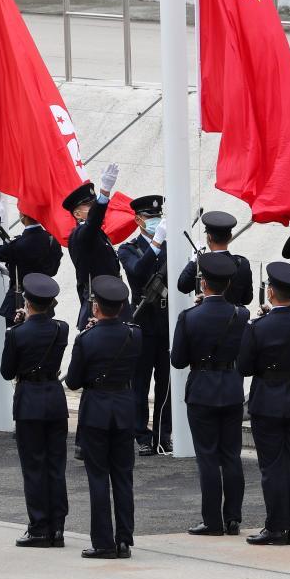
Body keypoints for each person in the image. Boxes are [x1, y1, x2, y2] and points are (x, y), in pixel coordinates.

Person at [170, 252, 249, 537]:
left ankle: (212, 520)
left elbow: (178, 360)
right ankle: (233, 518)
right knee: (231, 455)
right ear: (228, 284)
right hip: (230, 386)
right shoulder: (241, 315)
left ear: (203, 284)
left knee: (207, 458)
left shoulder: (190, 316)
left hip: (202, 388)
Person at [64, 275, 142, 560]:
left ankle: (103, 542)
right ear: (121, 306)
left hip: (96, 410)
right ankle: (124, 539)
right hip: (123, 407)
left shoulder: (86, 338)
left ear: (96, 307)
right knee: (123, 477)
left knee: (98, 477)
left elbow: (73, 381)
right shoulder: (135, 334)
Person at [238, 262, 290, 546]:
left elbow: (244, 366)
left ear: (271, 292)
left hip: (267, 398)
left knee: (271, 466)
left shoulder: (258, 327)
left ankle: (276, 525)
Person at [0, 273, 70, 548]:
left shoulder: (17, 333)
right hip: (53, 398)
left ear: (27, 303)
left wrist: (18, 328)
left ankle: (39, 526)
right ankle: (58, 526)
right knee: (56, 465)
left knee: (34, 467)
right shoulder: (61, 329)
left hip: (28, 401)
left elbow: (7, 371)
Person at [118, 194, 172, 456]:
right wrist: (157, 244)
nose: (156, 221)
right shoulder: (127, 249)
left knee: (166, 381)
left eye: (158, 216)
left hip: (166, 321)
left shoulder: (171, 246)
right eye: (150, 217)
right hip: (142, 321)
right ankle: (140, 432)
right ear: (138, 220)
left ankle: (164, 433)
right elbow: (137, 272)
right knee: (140, 381)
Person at [64, 164, 127, 329]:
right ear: (77, 214)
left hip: (112, 299)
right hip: (99, 304)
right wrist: (104, 193)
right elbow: (92, 223)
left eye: (94, 205)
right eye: (89, 206)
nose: (94, 209)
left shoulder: (96, 233)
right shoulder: (80, 236)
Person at [0, 198, 62, 322]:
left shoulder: (17, 245)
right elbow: (52, 271)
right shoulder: (52, 240)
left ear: (22, 215)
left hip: (20, 300)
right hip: (44, 299)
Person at [177, 211, 253, 306]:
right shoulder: (243, 263)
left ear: (209, 238)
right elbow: (247, 299)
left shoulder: (202, 263)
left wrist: (193, 261)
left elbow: (182, 286)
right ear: (230, 237)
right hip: (235, 318)